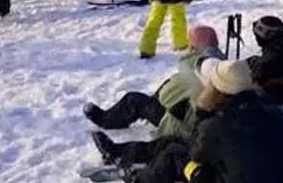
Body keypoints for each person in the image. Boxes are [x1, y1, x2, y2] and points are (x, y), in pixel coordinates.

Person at [110, 58, 283, 183]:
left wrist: (202, 114)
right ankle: (135, 153)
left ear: (218, 90)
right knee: (179, 144)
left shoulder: (217, 124)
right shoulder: (272, 111)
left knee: (175, 154)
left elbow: (195, 154)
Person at [86, 24, 223, 139]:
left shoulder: (192, 68)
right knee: (169, 81)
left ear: (193, 47)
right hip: (206, 120)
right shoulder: (221, 65)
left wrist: (156, 100)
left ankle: (105, 120)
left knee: (133, 100)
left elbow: (166, 97)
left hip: (183, 122)